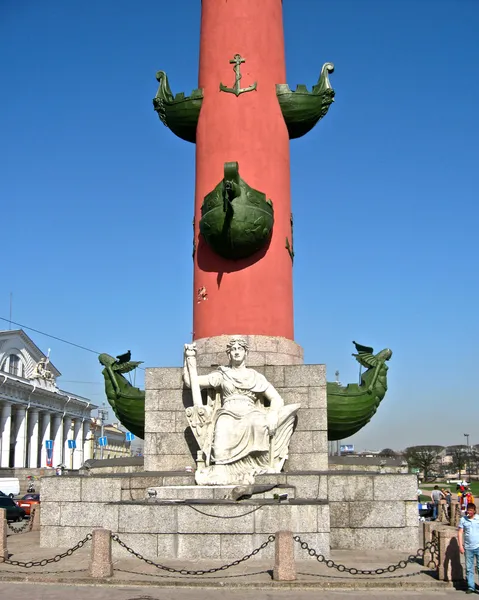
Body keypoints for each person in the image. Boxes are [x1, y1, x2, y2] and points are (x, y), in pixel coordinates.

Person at [183, 336, 299, 485]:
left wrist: (272, 414)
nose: (236, 352)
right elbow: (191, 382)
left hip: (251, 412)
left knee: (258, 423)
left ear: (246, 353)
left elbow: (276, 399)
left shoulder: (255, 377)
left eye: (240, 349)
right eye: (233, 349)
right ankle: (222, 469)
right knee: (222, 428)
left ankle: (257, 467)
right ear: (229, 354)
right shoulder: (222, 375)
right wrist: (187, 358)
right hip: (227, 413)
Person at [458, 503, 479, 593]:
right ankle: (471, 587)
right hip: (468, 547)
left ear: (474, 511)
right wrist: (460, 546)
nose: (469, 512)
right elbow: (460, 533)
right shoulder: (463, 519)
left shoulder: (478, 518)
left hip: (478, 546)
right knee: (469, 568)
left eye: (471, 510)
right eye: (468, 510)